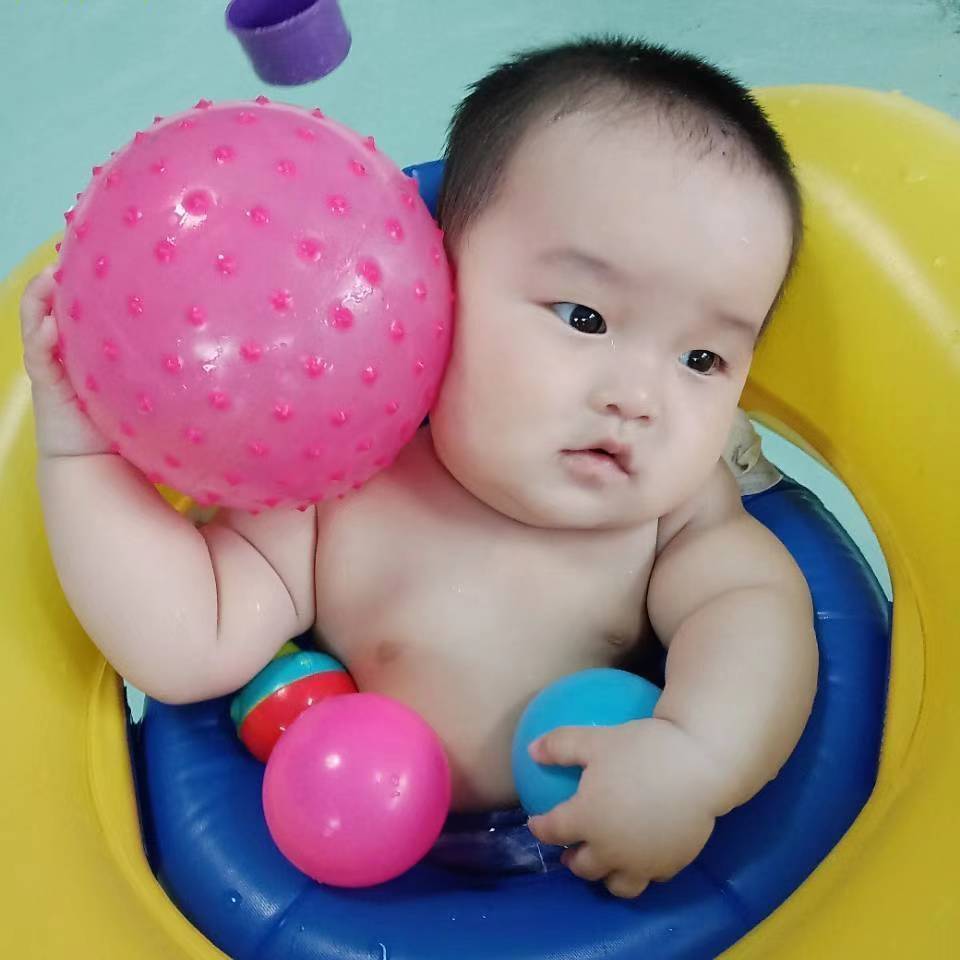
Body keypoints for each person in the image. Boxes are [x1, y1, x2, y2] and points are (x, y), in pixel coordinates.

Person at [19, 36, 817, 899]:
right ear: (434, 279)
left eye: (702, 360)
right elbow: (186, 641)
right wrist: (83, 452)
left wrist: (695, 758)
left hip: (572, 876)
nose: (638, 398)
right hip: (345, 861)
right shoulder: (344, 484)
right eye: (584, 316)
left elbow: (757, 618)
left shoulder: (676, 519)